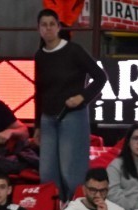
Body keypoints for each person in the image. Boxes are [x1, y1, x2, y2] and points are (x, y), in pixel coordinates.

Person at [34, 8, 109, 199]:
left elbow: (100, 77)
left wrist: (82, 97)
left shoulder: (73, 51)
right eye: (44, 25)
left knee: (72, 172)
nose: (48, 28)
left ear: (59, 27)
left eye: (52, 24)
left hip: (72, 116)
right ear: (39, 29)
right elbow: (39, 92)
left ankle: (76, 208)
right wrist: (37, 126)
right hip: (48, 118)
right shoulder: (40, 55)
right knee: (47, 172)